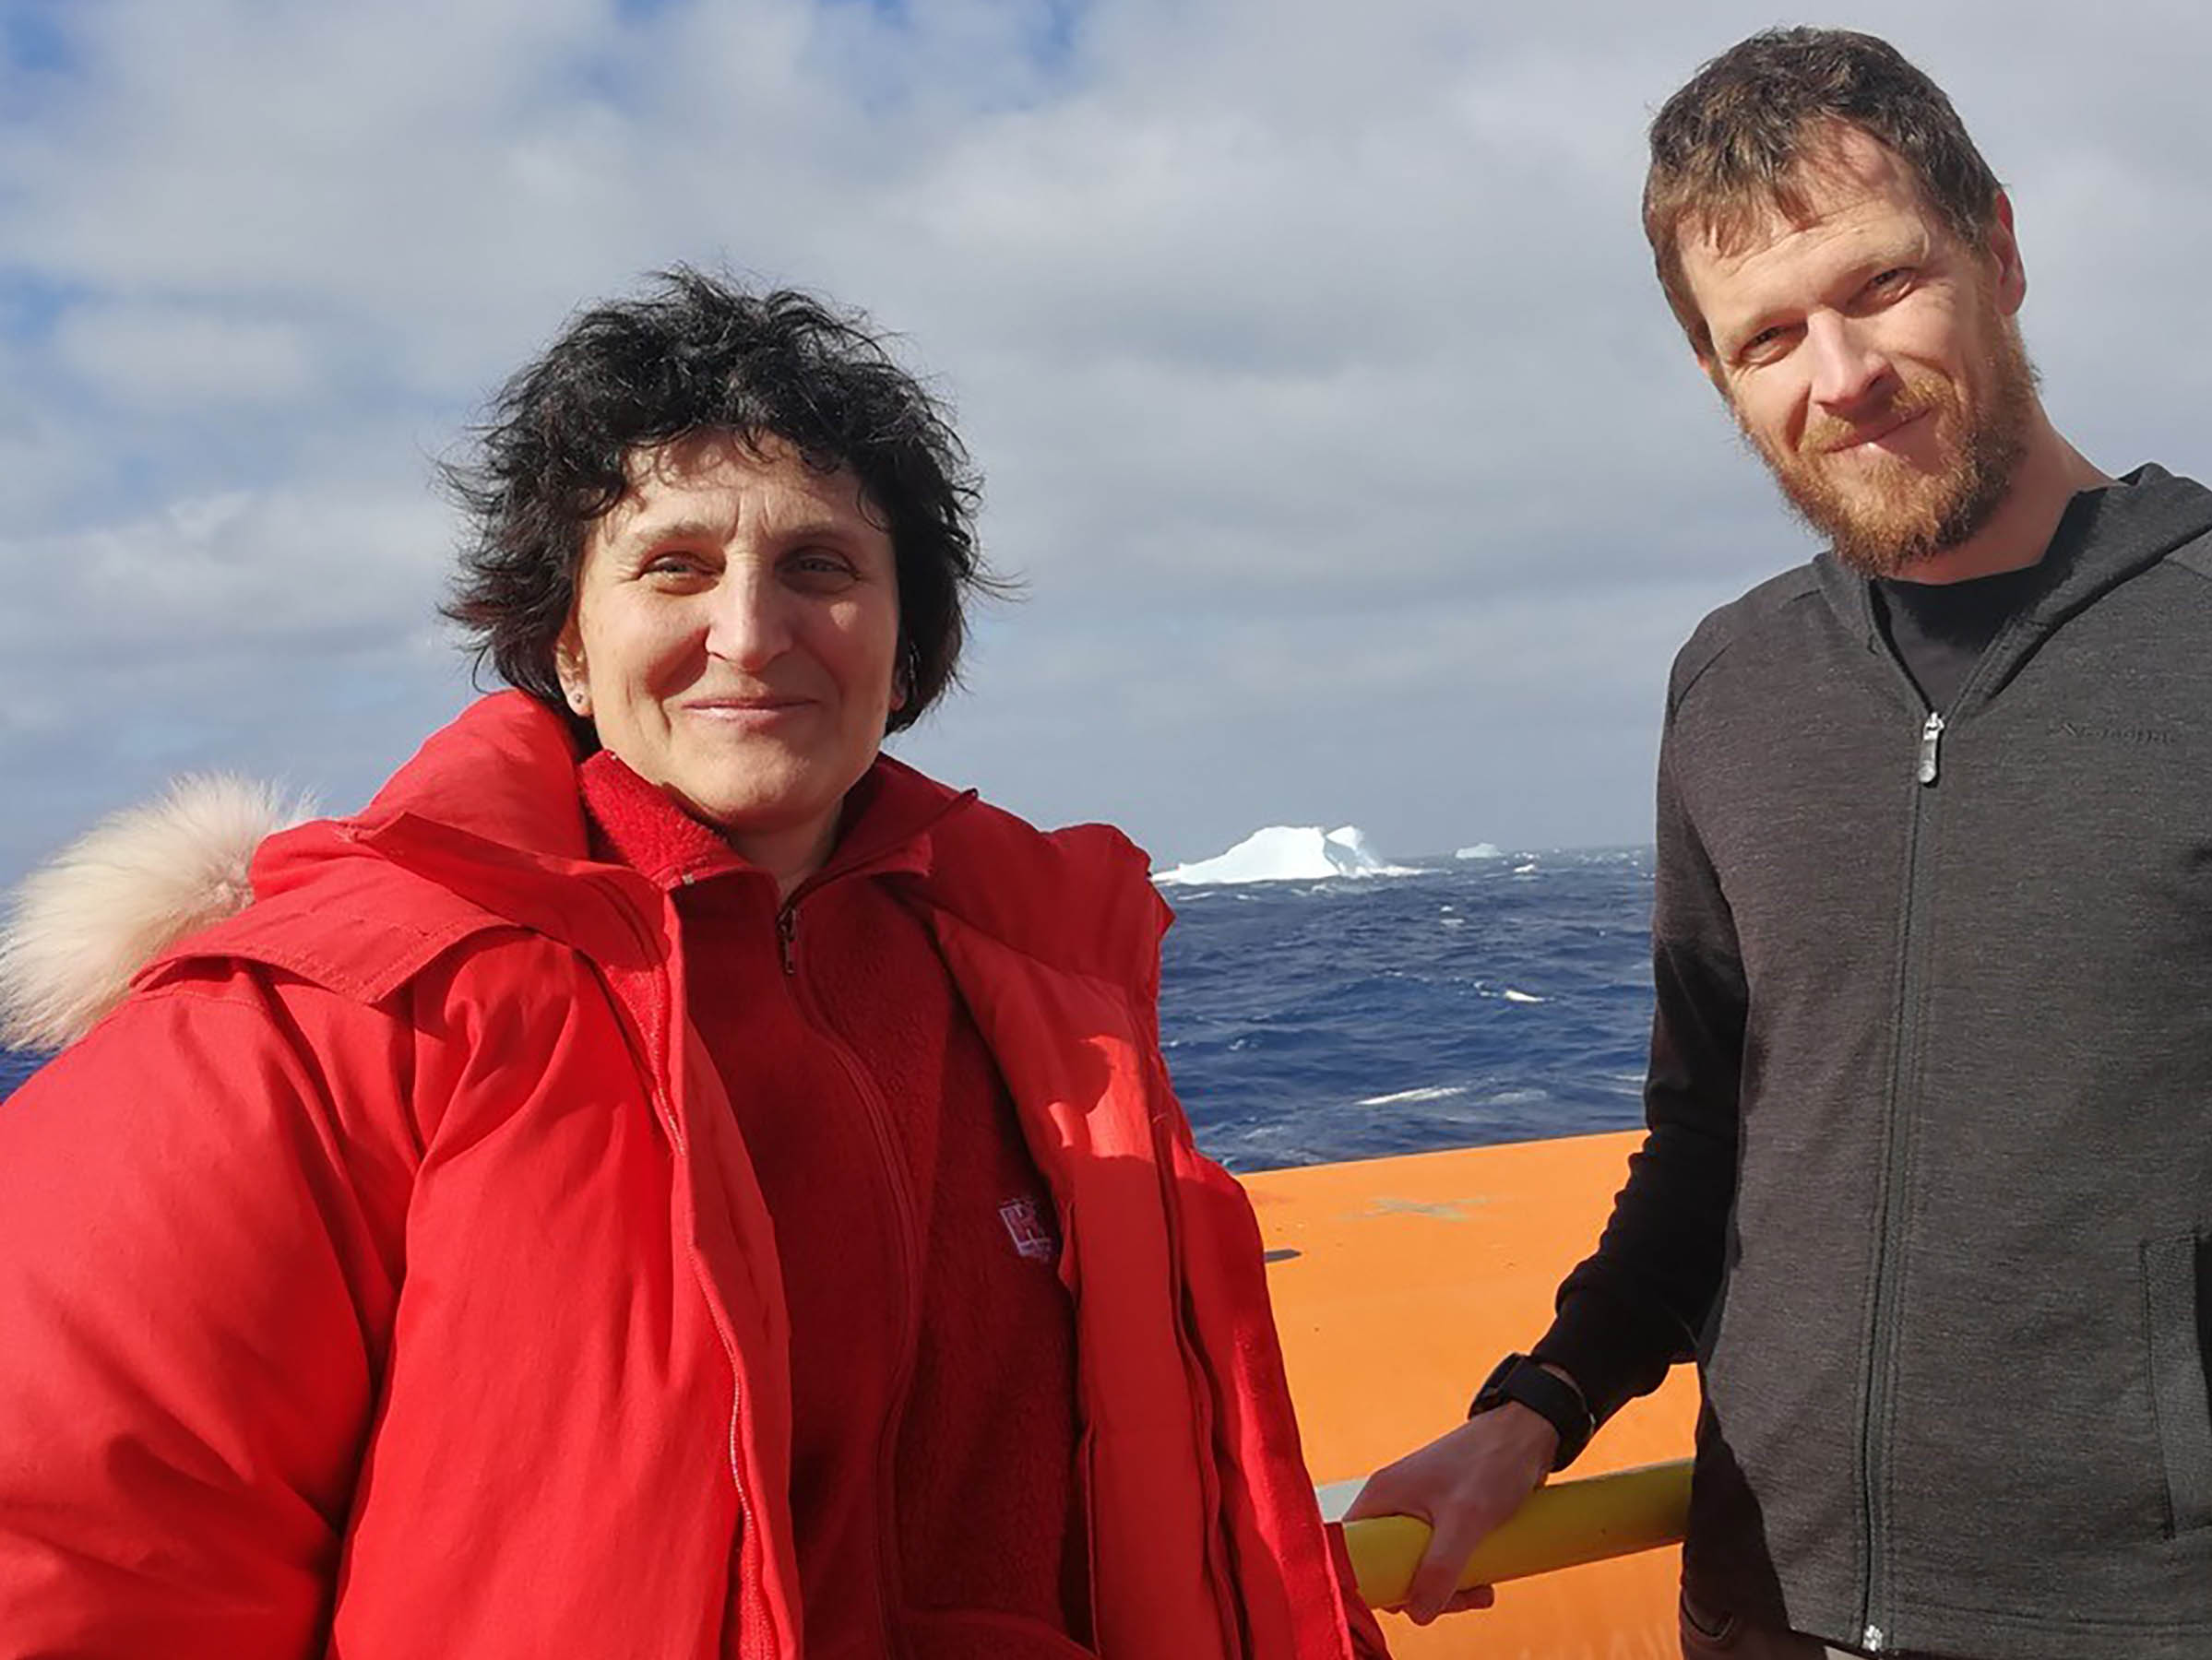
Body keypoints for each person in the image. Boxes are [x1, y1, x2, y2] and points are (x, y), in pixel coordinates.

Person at [1350, 28, 2212, 1660]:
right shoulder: (1732, 684)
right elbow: (1707, 1151)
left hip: (2164, 1627)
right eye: (1767, 338)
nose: (1839, 376)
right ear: (1715, 374)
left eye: (1881, 286)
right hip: (1759, 1614)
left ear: (2000, 251)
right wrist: (1537, 1406)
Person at [0, 270, 1384, 1660]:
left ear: (907, 651)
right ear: (569, 648)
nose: (749, 631)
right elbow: (76, 1544)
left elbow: (1197, 1503)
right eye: (673, 567)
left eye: (821, 567)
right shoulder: (331, 1021)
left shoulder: (1051, 995)